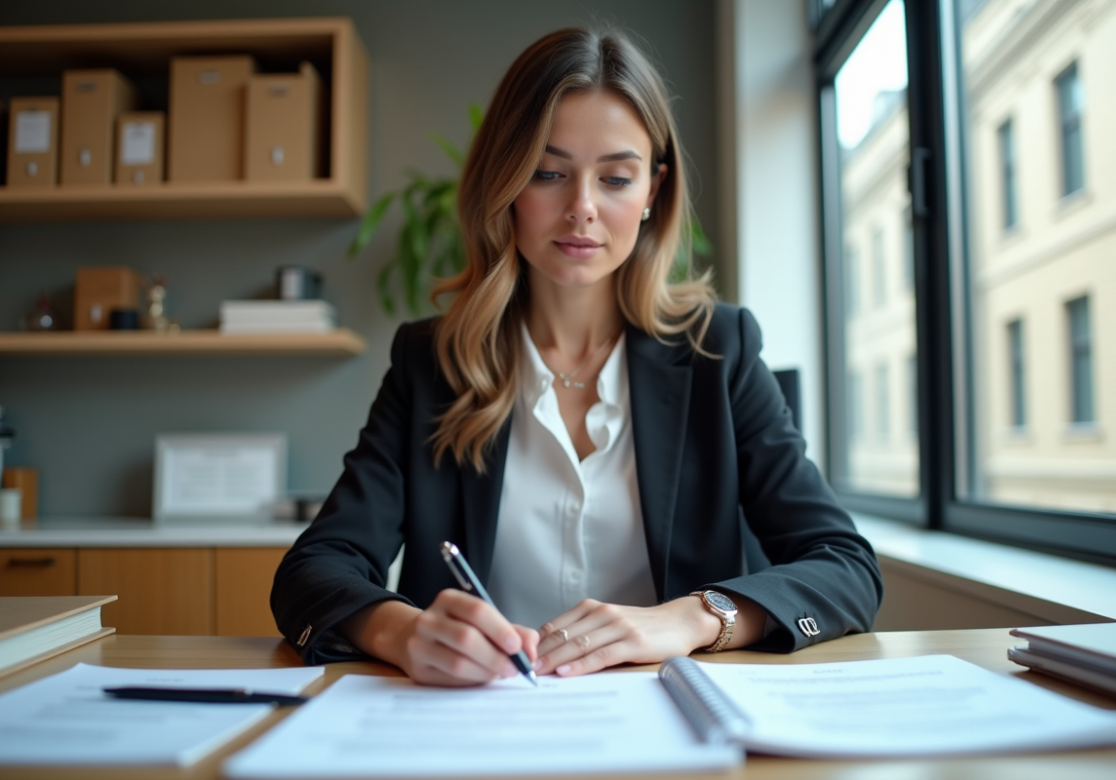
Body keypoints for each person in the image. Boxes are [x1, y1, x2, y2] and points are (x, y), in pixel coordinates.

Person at [271, 27, 882, 687]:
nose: (581, 209)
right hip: (476, 720)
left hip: (675, 718)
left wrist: (696, 616)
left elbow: (844, 565)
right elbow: (313, 571)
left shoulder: (720, 351)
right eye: (547, 172)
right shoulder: (433, 362)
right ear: (504, 181)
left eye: (616, 177)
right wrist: (405, 631)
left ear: (653, 190)